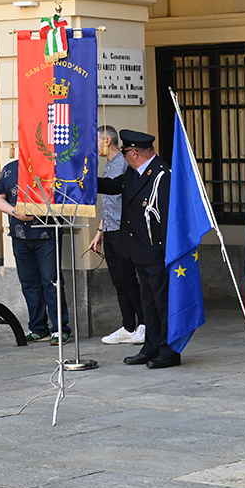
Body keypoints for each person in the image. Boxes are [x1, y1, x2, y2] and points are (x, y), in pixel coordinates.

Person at [95, 130, 176, 368]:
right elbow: (112, 186)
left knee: (162, 302)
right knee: (148, 302)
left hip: (156, 251)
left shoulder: (162, 175)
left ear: (135, 153)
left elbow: (168, 217)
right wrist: (82, 179)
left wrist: (165, 253)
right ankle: (151, 346)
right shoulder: (133, 173)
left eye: (128, 152)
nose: (125, 156)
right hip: (138, 249)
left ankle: (168, 350)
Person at [0, 160, 71, 344]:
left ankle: (60, 329)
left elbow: (63, 197)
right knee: (28, 282)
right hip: (19, 235)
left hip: (47, 234)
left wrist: (37, 213)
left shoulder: (51, 165)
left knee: (52, 282)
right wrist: (14, 211)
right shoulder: (9, 169)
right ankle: (37, 328)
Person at [90, 125, 145, 346]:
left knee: (128, 279)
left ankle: (144, 324)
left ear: (107, 140)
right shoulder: (109, 165)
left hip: (124, 230)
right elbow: (109, 203)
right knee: (118, 281)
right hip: (110, 229)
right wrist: (99, 232)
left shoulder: (123, 164)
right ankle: (128, 325)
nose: (95, 146)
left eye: (97, 140)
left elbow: (120, 195)